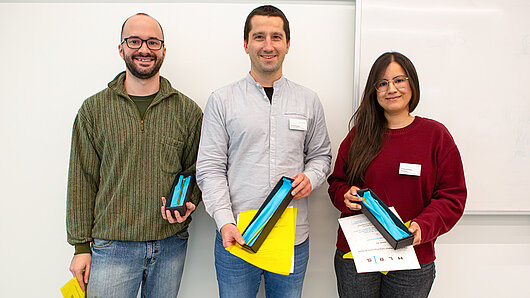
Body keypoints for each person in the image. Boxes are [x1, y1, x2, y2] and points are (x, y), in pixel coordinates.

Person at [196, 5, 332, 298]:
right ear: (246, 44)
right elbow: (210, 168)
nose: (268, 45)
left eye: (276, 37)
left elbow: (321, 155)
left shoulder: (308, 100)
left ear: (288, 45)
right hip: (236, 236)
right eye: (259, 37)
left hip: (292, 238)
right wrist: (224, 221)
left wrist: (312, 176)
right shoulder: (222, 100)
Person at [66, 13, 202, 297]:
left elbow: (198, 172)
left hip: (170, 245)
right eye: (135, 41)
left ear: (163, 50)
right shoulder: (94, 110)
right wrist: (80, 247)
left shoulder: (187, 112)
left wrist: (189, 203)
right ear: (121, 48)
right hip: (111, 247)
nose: (144, 49)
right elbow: (81, 180)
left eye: (153, 42)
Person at [328, 52, 467, 297]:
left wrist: (422, 226)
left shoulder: (436, 136)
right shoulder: (359, 136)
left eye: (399, 80)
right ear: (374, 91)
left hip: (412, 258)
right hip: (358, 256)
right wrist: (344, 195)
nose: (391, 89)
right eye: (382, 83)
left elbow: (452, 196)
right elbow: (337, 182)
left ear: (412, 83)